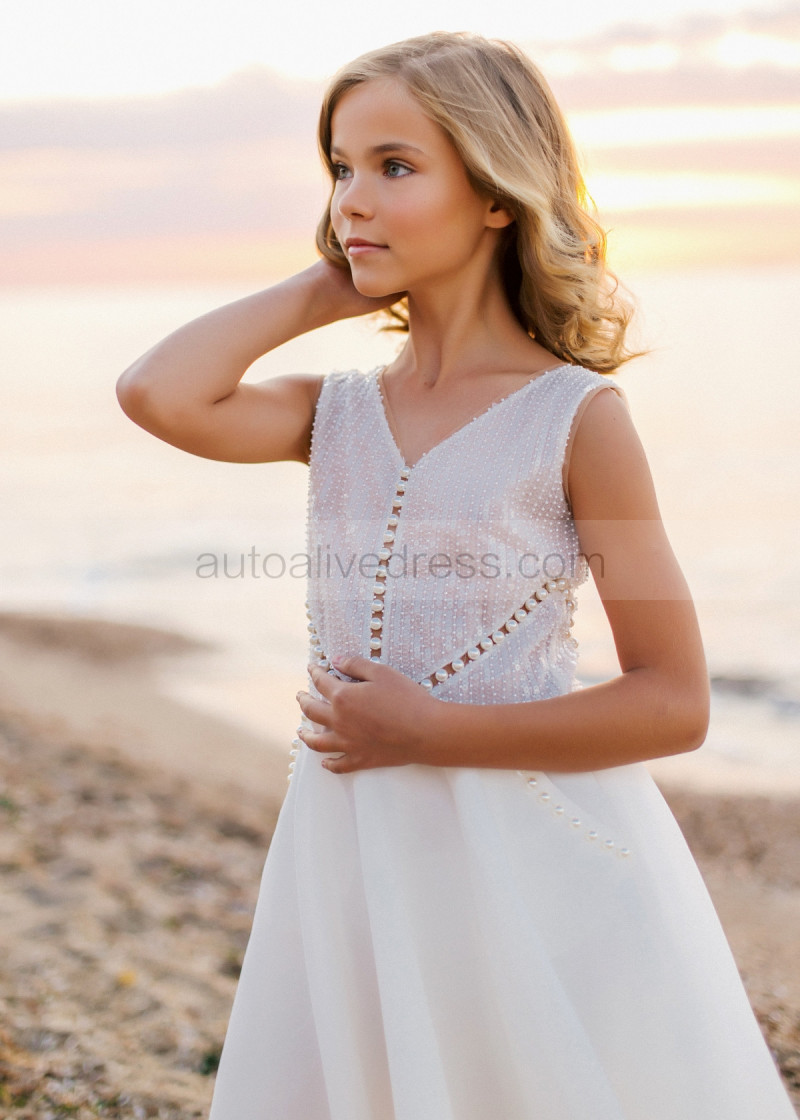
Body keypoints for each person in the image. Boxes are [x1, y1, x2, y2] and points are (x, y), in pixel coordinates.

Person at [116, 31, 796, 1120]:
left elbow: (674, 700)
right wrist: (320, 287)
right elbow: (159, 394)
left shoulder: (573, 418)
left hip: (533, 861)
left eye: (394, 166)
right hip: (354, 857)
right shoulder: (331, 413)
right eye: (339, 169)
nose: (353, 199)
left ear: (493, 192)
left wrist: (430, 733)